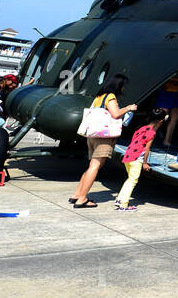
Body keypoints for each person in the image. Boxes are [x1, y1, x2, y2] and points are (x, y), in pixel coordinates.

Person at [69, 74, 138, 208]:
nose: (124, 88)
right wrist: (128, 108)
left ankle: (77, 194)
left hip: (93, 135)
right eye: (123, 85)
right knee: (95, 167)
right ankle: (82, 198)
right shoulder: (110, 96)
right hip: (104, 138)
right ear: (119, 85)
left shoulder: (99, 97)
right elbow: (116, 114)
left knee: (92, 166)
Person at [115, 109, 164, 210]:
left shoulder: (141, 128)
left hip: (128, 156)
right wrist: (145, 163)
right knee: (133, 180)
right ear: (160, 122)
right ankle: (123, 204)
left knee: (130, 179)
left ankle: (120, 199)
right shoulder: (152, 133)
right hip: (136, 158)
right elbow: (147, 149)